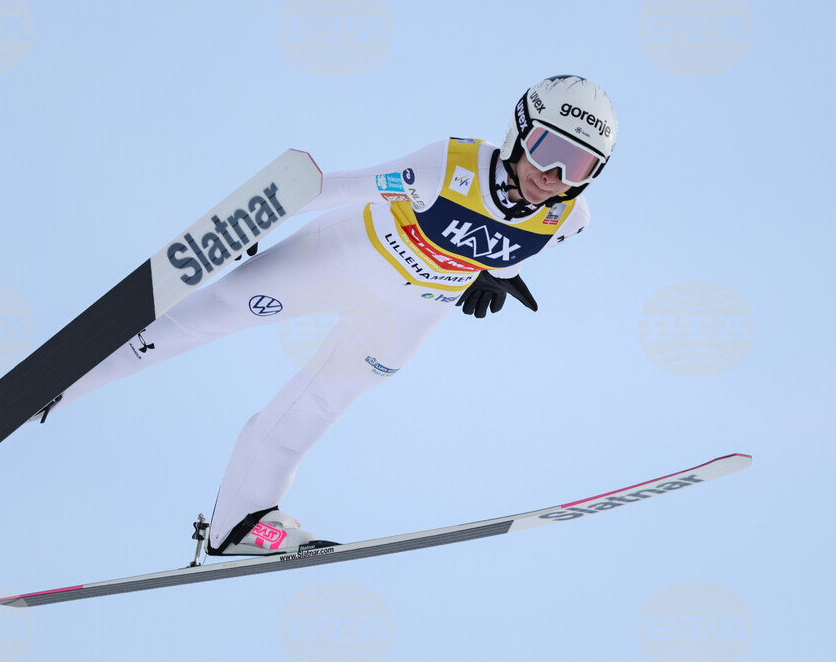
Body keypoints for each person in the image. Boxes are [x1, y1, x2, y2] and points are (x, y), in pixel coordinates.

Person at [37, 74, 618, 556]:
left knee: (317, 407)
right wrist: (254, 216)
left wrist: (493, 271)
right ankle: (63, 379)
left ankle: (240, 526)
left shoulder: (570, 219)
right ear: (520, 131)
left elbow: (508, 236)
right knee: (203, 319)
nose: (556, 177)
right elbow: (335, 187)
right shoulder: (449, 165)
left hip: (409, 312)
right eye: (549, 151)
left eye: (580, 166)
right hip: (339, 261)